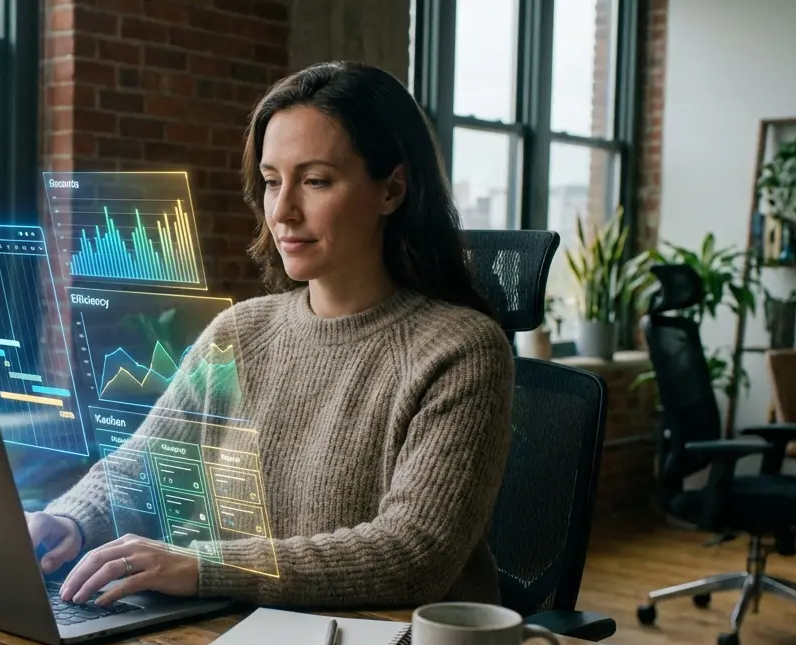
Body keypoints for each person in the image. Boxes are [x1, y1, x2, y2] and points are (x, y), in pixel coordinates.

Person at [27, 60, 514, 609]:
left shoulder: (460, 351)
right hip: (236, 637)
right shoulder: (240, 332)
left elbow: (414, 552)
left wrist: (208, 566)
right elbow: (145, 467)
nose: (282, 211)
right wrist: (70, 518)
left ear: (392, 189)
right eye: (271, 180)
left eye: (315, 181)